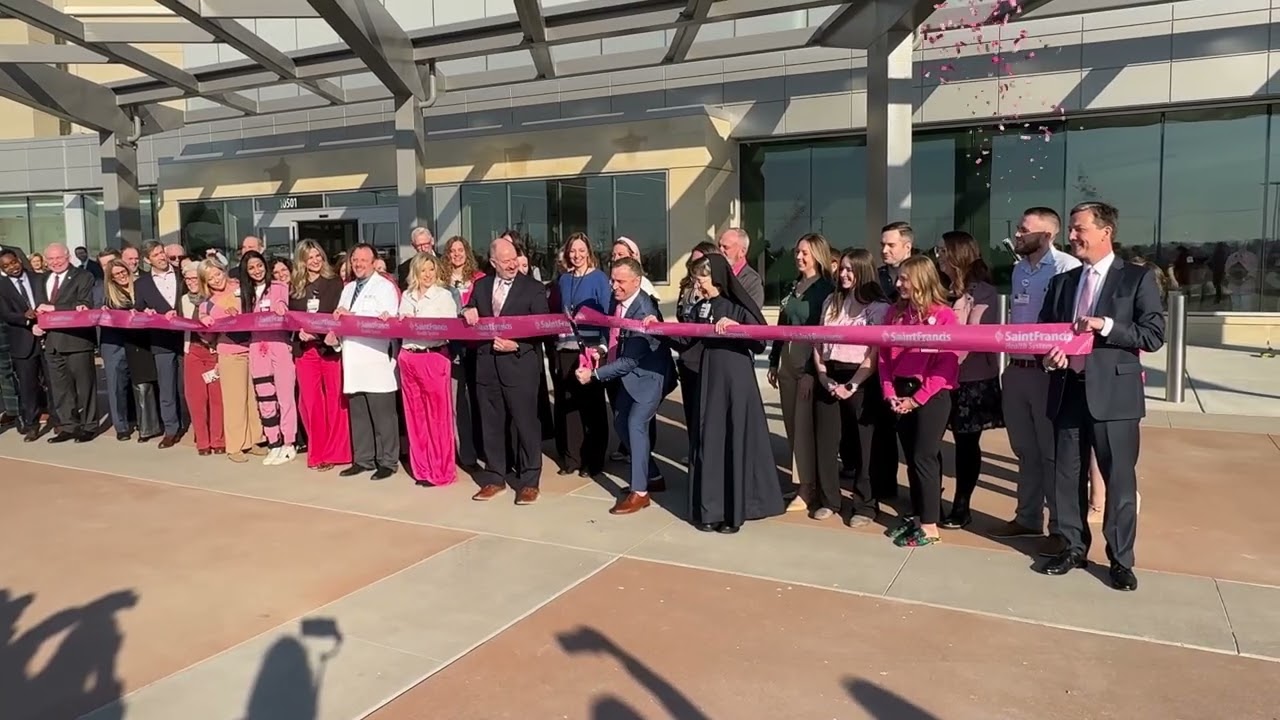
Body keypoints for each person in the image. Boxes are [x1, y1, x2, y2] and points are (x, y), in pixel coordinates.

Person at [1038, 201, 1165, 592]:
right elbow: (1045, 333)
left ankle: (1121, 560)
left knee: (1119, 481)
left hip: (1115, 395)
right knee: (1067, 477)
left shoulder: (1136, 279)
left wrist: (1106, 325)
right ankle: (1073, 547)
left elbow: (1153, 335)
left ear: (1105, 231)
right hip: (1068, 391)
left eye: (1079, 229)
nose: (1072, 236)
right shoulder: (1062, 282)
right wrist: (1049, 356)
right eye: (1072, 229)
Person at [990, 208, 1081, 552]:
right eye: (1018, 228)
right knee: (1024, 450)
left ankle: (1060, 526)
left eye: (1024, 230)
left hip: (1049, 373)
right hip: (1017, 369)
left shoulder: (1066, 268)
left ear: (1046, 235)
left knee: (1052, 453)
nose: (1017, 235)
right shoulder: (1018, 270)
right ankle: (1027, 518)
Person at [685, 253, 784, 533]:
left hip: (736, 381)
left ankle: (733, 512)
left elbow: (761, 340)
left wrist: (739, 330)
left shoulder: (739, 305)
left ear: (715, 277)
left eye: (701, 278)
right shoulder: (701, 306)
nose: (698, 283)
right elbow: (686, 338)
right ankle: (710, 508)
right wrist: (652, 326)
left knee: (733, 438)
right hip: (709, 378)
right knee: (710, 439)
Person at [462, 237, 551, 505]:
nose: (512, 264)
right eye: (505, 261)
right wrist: (467, 310)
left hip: (519, 365)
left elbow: (543, 328)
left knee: (526, 425)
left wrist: (517, 344)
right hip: (487, 367)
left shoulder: (533, 288)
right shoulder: (482, 285)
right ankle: (495, 477)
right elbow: (469, 313)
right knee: (491, 425)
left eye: (514, 258)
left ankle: (529, 480)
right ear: (493, 263)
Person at [880, 255, 960, 548]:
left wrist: (917, 399)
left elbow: (946, 365)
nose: (899, 283)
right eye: (899, 278)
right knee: (912, 458)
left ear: (922, 280)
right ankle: (918, 516)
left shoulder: (944, 315)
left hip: (931, 395)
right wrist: (890, 393)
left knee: (924, 456)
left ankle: (930, 526)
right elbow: (883, 357)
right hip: (900, 392)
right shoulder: (895, 313)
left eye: (905, 278)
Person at [583, 257, 674, 515]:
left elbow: (629, 359)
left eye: (620, 281)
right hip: (629, 379)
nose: (614, 286)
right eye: (612, 280)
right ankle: (652, 476)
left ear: (637, 281)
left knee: (635, 425)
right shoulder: (617, 301)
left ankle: (640, 492)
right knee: (621, 423)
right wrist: (601, 349)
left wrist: (593, 374)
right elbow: (610, 332)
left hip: (649, 378)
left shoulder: (646, 310)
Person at [812, 248, 893, 528]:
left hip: (861, 378)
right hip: (829, 374)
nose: (844, 274)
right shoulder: (831, 301)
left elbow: (875, 352)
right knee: (825, 442)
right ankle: (829, 499)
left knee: (863, 447)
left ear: (863, 271)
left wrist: (852, 384)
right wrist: (823, 377)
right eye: (842, 269)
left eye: (851, 270)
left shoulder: (878, 308)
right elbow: (819, 344)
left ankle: (865, 505)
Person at [936, 231, 1004, 530]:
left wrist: (947, 357)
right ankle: (928, 500)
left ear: (956, 254)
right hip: (938, 376)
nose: (937, 255)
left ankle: (962, 505)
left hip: (970, 379)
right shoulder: (939, 288)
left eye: (941, 250)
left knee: (966, 444)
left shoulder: (983, 292)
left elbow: (974, 336)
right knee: (929, 441)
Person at [767, 233, 835, 516]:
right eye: (797, 252)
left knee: (805, 428)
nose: (799, 257)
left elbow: (823, 334)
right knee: (793, 428)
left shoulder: (825, 290)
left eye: (805, 252)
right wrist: (773, 359)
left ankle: (808, 487)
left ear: (818, 254)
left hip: (808, 362)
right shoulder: (794, 286)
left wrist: (811, 372)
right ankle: (801, 482)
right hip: (786, 360)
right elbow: (782, 324)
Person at [335, 244, 401, 480]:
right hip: (353, 359)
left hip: (375, 359)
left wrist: (353, 319)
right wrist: (335, 332)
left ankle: (388, 461)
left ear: (374, 263)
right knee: (360, 414)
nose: (359, 264)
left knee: (383, 415)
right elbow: (340, 320)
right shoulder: (348, 288)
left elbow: (388, 322)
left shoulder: (385, 288)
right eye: (355, 260)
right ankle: (363, 459)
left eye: (364, 260)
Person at [552, 233, 611, 478]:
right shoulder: (564, 280)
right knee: (568, 405)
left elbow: (608, 314)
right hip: (565, 347)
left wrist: (602, 348)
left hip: (590, 349)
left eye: (580, 250)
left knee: (592, 407)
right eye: (572, 251)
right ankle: (572, 458)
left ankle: (593, 460)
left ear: (588, 251)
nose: (576, 255)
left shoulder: (599, 278)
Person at [397, 253, 460, 486]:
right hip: (409, 357)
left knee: (437, 417)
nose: (427, 275)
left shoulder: (443, 296)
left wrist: (424, 325)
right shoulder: (406, 295)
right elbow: (398, 323)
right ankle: (422, 468)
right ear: (416, 272)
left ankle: (441, 470)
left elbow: (450, 329)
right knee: (415, 416)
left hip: (432, 357)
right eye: (423, 270)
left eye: (431, 270)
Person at [290, 240, 350, 472]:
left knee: (335, 401)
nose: (315, 260)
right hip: (306, 352)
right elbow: (291, 319)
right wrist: (298, 331)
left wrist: (334, 332)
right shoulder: (295, 287)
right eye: (310, 257)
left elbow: (341, 316)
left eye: (318, 256)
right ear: (302, 261)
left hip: (328, 350)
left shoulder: (335, 283)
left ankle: (338, 452)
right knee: (312, 403)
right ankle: (319, 453)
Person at [198, 260, 265, 463]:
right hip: (229, 353)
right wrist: (205, 322)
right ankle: (235, 445)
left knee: (253, 399)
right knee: (234, 400)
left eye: (217, 274)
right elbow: (205, 333)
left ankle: (254, 439)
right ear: (205, 282)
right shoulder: (207, 304)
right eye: (210, 278)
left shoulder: (241, 287)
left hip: (252, 348)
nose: (216, 280)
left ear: (223, 271)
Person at [35, 244, 97, 444]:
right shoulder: (43, 279)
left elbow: (83, 305)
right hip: (52, 342)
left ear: (67, 256)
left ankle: (89, 426)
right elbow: (38, 307)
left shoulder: (83, 276)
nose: (55, 262)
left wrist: (53, 308)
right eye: (50, 259)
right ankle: (68, 426)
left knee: (84, 386)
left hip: (77, 341)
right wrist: (36, 324)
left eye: (58, 258)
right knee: (60, 388)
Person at [240, 250, 297, 465]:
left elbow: (283, 305)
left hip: (279, 345)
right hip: (257, 347)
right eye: (251, 268)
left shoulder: (279, 287)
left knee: (285, 396)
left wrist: (281, 306)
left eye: (259, 265)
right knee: (265, 397)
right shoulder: (244, 293)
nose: (256, 271)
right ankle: (273, 442)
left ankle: (289, 442)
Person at [102, 259, 163, 442]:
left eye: (123, 273)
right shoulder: (109, 296)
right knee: (118, 386)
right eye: (116, 275)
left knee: (144, 385)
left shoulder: (140, 287)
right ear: (111, 279)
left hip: (140, 343)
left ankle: (147, 425)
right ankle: (121, 426)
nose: (121, 277)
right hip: (118, 343)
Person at [133, 241, 187, 448]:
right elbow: (139, 308)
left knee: (187, 387)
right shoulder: (142, 284)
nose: (162, 257)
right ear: (147, 260)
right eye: (156, 255)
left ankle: (197, 426)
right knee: (166, 388)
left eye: (162, 253)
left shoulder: (182, 274)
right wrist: (145, 312)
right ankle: (171, 429)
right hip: (161, 341)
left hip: (187, 338)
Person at [672, 241, 718, 467]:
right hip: (686, 356)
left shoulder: (715, 292)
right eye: (692, 260)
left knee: (706, 413)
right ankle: (693, 451)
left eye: (699, 260)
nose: (693, 264)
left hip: (704, 358)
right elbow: (682, 318)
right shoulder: (685, 287)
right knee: (690, 409)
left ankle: (706, 455)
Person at [0, 248, 47, 441]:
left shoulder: (39, 278)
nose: (12, 268)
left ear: (19, 260)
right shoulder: (2, 286)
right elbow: (6, 314)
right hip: (22, 340)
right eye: (6, 266)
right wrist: (25, 318)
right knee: (28, 386)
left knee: (54, 382)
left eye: (13, 263)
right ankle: (31, 424)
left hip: (47, 337)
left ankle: (63, 421)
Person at [179, 260, 223, 455]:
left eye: (193, 278)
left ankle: (218, 439)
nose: (190, 282)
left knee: (217, 398)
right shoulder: (183, 300)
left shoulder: (216, 298)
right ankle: (203, 442)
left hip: (215, 352)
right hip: (193, 351)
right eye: (186, 279)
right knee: (196, 398)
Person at [715, 228, 764, 309]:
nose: (720, 251)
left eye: (725, 247)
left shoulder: (752, 281)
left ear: (742, 252)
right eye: (719, 246)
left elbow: (751, 314)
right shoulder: (714, 274)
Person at [878, 222, 914, 301]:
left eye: (891, 245)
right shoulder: (876, 277)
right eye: (882, 245)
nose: (884, 250)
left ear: (907, 247)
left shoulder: (920, 276)